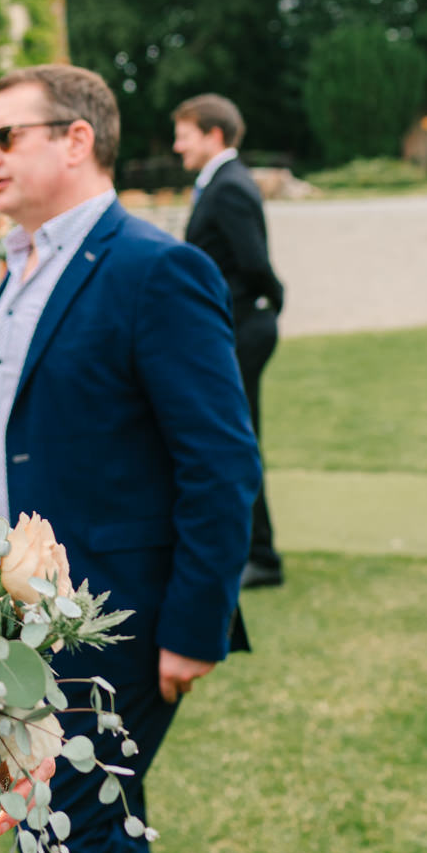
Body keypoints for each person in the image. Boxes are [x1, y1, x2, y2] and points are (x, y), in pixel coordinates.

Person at [0, 65, 259, 853]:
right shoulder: (14, 275)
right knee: (96, 835)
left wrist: (194, 627)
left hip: (118, 618)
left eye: (5, 136)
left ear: (75, 139)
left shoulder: (158, 271)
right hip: (24, 621)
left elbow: (220, 460)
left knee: (68, 841)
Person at [174, 94, 286, 589]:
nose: (178, 146)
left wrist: (270, 302)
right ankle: (248, 549)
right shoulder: (215, 185)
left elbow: (255, 263)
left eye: (185, 134)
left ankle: (261, 557)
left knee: (239, 441)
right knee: (233, 439)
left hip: (242, 327)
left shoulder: (229, 188)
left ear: (213, 135)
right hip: (228, 327)